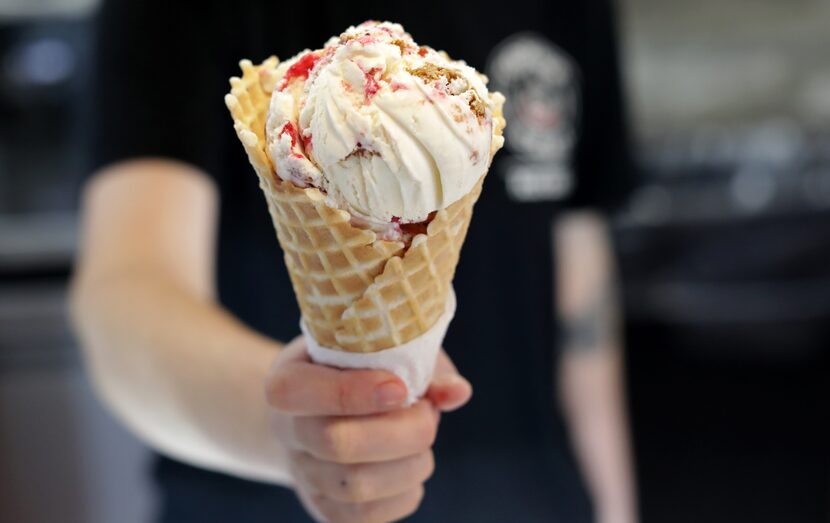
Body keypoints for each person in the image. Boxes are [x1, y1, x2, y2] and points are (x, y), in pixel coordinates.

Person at [70, 1, 638, 522]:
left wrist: (612, 505)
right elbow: (127, 290)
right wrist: (286, 425)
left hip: (528, 496)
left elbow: (582, 292)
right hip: (256, 500)